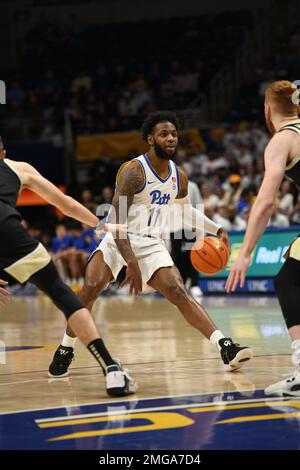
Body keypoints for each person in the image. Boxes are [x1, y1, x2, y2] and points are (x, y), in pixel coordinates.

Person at [49, 111, 253, 377]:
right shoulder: (134, 172)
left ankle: (224, 347)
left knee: (178, 291)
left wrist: (217, 228)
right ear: (150, 139)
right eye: (163, 134)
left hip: (150, 243)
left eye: (174, 134)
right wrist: (130, 262)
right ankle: (66, 348)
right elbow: (117, 221)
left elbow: (185, 212)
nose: (170, 138)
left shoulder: (178, 176)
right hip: (117, 239)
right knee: (90, 288)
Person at [0, 135, 136, 397]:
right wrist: (102, 225)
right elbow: (66, 204)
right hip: (7, 228)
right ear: (3, 154)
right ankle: (111, 370)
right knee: (63, 295)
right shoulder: (19, 168)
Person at [225, 80, 300, 396]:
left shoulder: (282, 140)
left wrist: (245, 253)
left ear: (267, 110)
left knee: (288, 281)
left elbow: (267, 201)